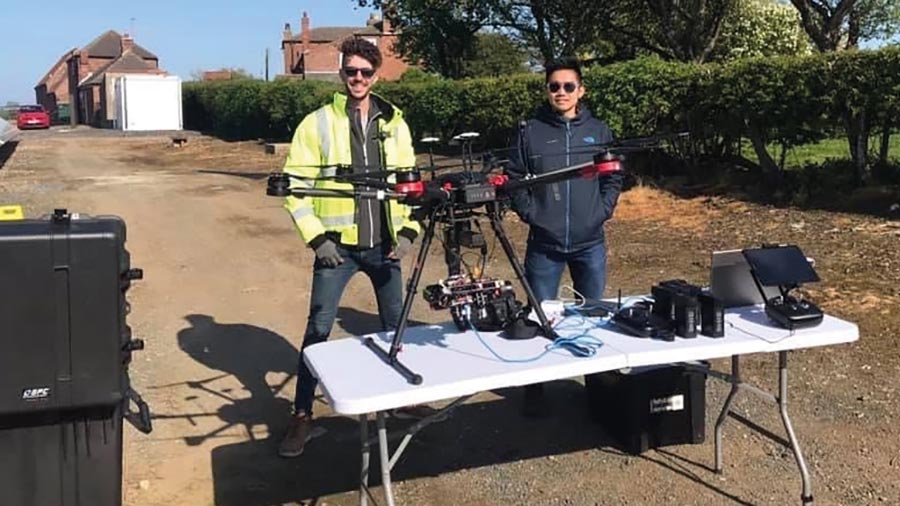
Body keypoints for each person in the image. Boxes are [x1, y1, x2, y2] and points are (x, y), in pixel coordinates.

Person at [278, 37, 422, 458]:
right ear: (342, 73)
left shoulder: (395, 122)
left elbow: (410, 186)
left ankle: (403, 400)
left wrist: (409, 233)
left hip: (385, 247)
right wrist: (317, 238)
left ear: (376, 75)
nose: (357, 78)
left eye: (365, 72)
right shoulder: (317, 123)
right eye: (350, 71)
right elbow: (294, 189)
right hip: (336, 250)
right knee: (318, 333)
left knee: (395, 327)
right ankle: (303, 415)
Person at [506, 58, 624, 416]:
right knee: (540, 318)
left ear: (581, 90)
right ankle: (536, 387)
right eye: (554, 86)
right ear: (547, 90)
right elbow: (513, 177)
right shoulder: (530, 131)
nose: (561, 92)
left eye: (568, 86)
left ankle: (596, 386)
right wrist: (533, 214)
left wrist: (601, 210)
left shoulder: (599, 131)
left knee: (591, 317)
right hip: (545, 244)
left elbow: (613, 176)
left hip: (590, 243)